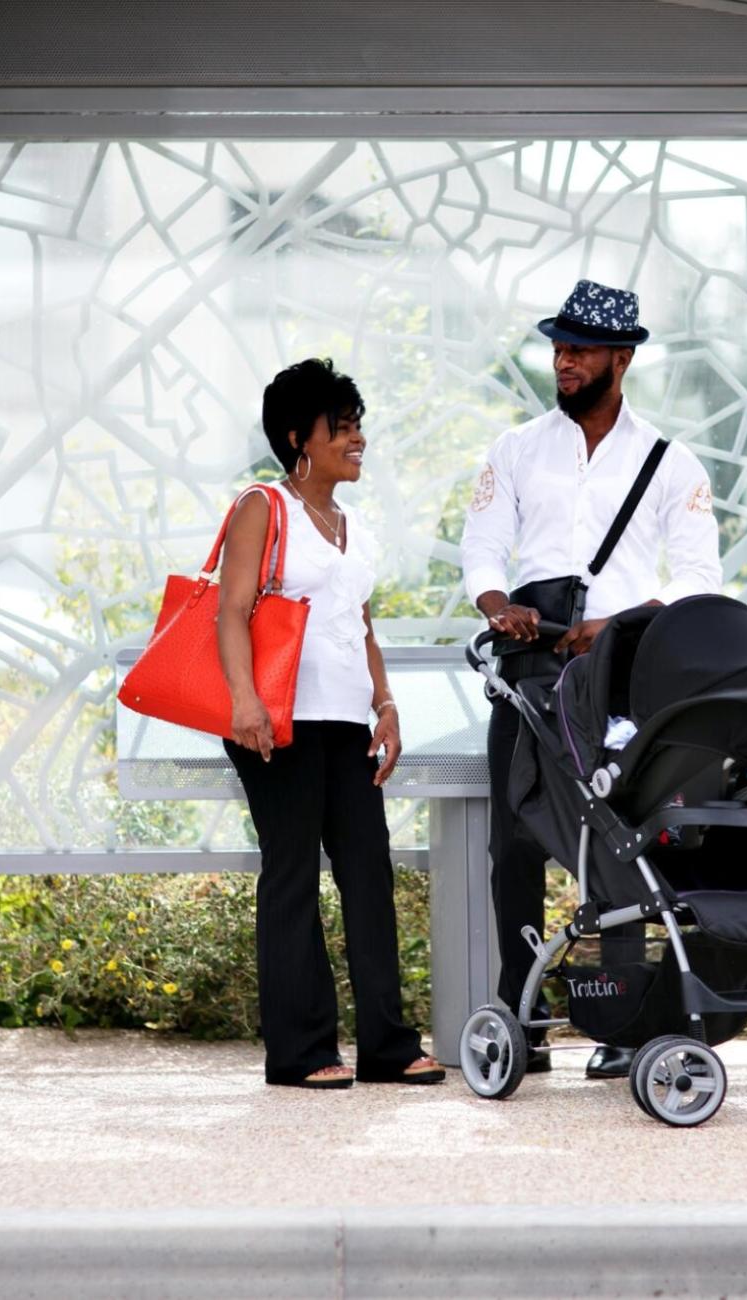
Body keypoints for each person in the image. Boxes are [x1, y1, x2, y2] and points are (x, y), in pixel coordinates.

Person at [460, 279, 722, 1078]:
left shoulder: (671, 464)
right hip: (529, 657)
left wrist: (620, 623)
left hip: (621, 669)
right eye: (558, 346)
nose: (562, 360)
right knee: (513, 840)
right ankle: (524, 1013)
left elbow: (701, 577)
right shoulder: (513, 449)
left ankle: (623, 1020)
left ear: (622, 357)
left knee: (620, 837)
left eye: (579, 349)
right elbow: (481, 549)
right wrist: (498, 605)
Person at [217, 358, 442, 1090]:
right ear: (297, 438)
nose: (358, 439)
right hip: (278, 720)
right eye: (340, 427)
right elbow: (230, 611)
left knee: (368, 876)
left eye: (357, 425)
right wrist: (245, 702)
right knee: (292, 878)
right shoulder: (263, 506)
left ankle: (387, 1043)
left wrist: (385, 704)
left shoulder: (354, 526)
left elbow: (361, 623)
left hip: (346, 721)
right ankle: (301, 1050)